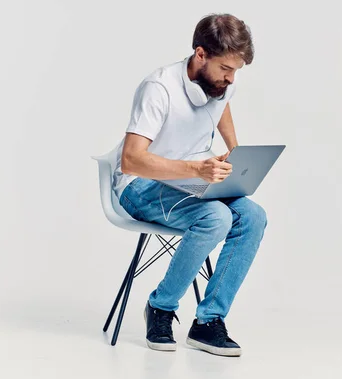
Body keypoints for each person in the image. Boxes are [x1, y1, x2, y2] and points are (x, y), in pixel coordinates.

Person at [112, 13, 267, 357]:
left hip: (191, 179)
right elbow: (131, 160)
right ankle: (161, 307)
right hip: (141, 185)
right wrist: (195, 169)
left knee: (253, 217)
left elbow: (221, 105)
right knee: (215, 217)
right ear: (201, 55)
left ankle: (208, 322)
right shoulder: (159, 88)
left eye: (236, 72)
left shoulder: (221, 82)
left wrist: (234, 151)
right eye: (226, 68)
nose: (231, 78)